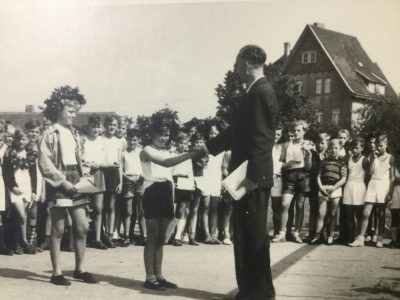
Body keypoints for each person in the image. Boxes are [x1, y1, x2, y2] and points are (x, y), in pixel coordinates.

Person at [206, 45, 277, 300]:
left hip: (251, 178)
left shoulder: (261, 92)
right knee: (245, 234)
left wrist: (252, 178)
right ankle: (249, 290)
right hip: (247, 176)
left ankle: (260, 294)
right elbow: (237, 133)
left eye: (237, 66)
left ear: (247, 64)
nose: (236, 71)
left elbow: (262, 138)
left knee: (254, 236)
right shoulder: (253, 92)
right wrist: (208, 147)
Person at [38, 86, 98, 285]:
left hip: (77, 179)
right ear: (58, 111)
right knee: (58, 228)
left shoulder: (74, 133)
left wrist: (87, 171)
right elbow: (45, 163)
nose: (74, 115)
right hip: (59, 181)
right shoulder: (49, 133)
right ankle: (56, 273)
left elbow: (79, 157)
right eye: (71, 111)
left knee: (82, 227)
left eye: (76, 111)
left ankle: (80, 269)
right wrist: (62, 182)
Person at [140, 120, 204, 290]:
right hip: (152, 191)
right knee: (152, 237)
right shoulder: (146, 150)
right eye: (160, 134)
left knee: (162, 238)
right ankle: (149, 277)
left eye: (167, 134)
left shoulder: (167, 151)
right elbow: (166, 163)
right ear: (151, 134)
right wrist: (191, 154)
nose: (164, 137)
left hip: (167, 191)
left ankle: (159, 275)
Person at [350, 134, 395, 248]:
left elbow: (392, 177)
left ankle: (379, 237)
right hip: (373, 184)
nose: (378, 148)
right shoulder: (373, 156)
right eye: (377, 145)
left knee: (381, 213)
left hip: (384, 184)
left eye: (381, 145)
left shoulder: (391, 157)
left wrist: (389, 192)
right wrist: (373, 159)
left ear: (386, 145)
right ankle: (360, 238)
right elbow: (369, 172)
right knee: (366, 212)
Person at [272, 120, 312, 244]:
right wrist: (285, 165)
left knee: (300, 206)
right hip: (289, 176)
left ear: (304, 131)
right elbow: (280, 164)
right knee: (284, 204)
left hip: (303, 176)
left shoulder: (308, 144)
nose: (296, 132)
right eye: (294, 130)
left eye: (299, 130)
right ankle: (282, 233)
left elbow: (309, 167)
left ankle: (296, 233)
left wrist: (309, 154)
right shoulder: (286, 145)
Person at [2, 130, 38, 254]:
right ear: (14, 140)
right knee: (21, 215)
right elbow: (6, 173)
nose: (21, 142)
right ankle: (21, 241)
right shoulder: (9, 153)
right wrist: (13, 187)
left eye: (23, 139)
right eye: (18, 139)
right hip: (16, 187)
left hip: (27, 185)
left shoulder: (30, 154)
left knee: (24, 215)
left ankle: (23, 241)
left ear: (27, 140)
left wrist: (34, 190)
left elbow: (33, 174)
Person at [81, 115, 107, 250]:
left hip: (98, 173)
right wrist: (87, 165)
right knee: (83, 207)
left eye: (98, 127)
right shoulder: (83, 139)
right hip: (85, 173)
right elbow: (80, 156)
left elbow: (105, 158)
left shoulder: (102, 141)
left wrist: (99, 164)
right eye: (93, 126)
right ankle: (82, 237)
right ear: (88, 126)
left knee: (98, 208)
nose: (96, 129)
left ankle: (97, 239)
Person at [343, 138, 369, 244]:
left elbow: (369, 175)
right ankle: (351, 235)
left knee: (359, 214)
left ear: (362, 148)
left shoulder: (364, 160)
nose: (354, 149)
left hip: (359, 187)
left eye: (356, 147)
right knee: (349, 214)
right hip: (349, 186)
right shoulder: (348, 158)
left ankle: (359, 237)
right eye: (353, 147)